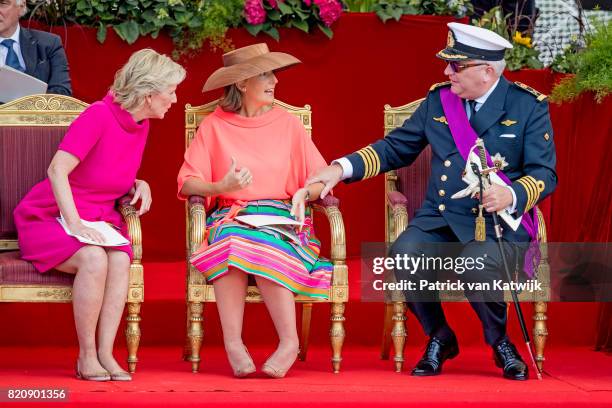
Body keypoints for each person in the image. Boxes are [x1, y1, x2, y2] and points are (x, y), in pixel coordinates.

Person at [307, 23, 557, 381]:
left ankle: (500, 342)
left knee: (476, 264)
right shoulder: (440, 101)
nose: (446, 72)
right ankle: (440, 336)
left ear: (487, 71)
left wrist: (512, 193)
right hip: (441, 217)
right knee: (403, 254)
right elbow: (396, 148)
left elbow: (545, 173)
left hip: (497, 224)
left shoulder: (527, 106)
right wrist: (340, 169)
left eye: (456, 66)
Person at [13, 49, 185, 381]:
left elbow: (106, 169)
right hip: (50, 217)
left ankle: (106, 352)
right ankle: (87, 356)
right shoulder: (98, 115)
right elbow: (57, 170)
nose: (175, 99)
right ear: (149, 94)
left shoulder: (140, 124)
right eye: (171, 91)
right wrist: (74, 222)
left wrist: (139, 182)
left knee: (120, 259)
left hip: (97, 219)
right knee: (94, 259)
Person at [177, 43, 332, 379]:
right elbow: (188, 183)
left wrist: (308, 191)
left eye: (273, 72)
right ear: (243, 83)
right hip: (232, 216)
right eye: (265, 73)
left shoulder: (288, 124)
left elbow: (322, 179)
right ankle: (233, 342)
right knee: (233, 239)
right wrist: (221, 187)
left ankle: (289, 342)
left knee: (262, 240)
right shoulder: (214, 127)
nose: (274, 80)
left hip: (282, 218)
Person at [0, 0, 71, 95]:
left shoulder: (50, 44)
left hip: (35, 108)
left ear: (21, 6)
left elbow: (62, 94)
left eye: (3, 3)